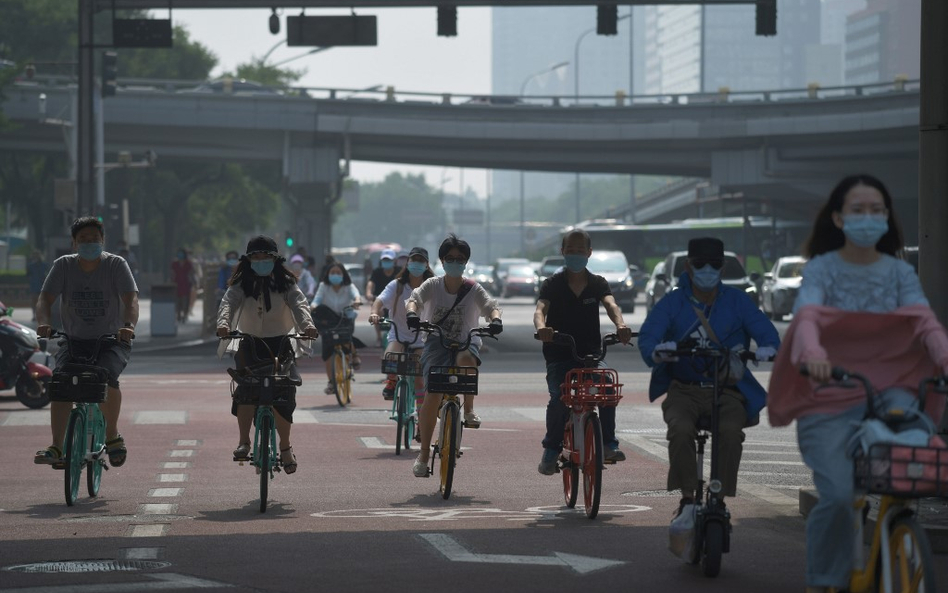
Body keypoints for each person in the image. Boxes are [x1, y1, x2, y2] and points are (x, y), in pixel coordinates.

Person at [765, 174, 948, 593]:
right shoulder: (822, 270)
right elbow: (808, 316)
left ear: (887, 218)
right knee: (836, 496)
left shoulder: (900, 272)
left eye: (877, 210)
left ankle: (898, 530)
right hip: (829, 395)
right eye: (858, 210)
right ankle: (824, 581)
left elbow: (925, 322)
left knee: (915, 459)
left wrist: (944, 356)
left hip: (896, 391)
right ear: (838, 218)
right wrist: (813, 356)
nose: (868, 218)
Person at [637, 237, 779, 519]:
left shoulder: (738, 301)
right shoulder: (672, 302)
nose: (707, 270)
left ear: (722, 268)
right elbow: (649, 336)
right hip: (683, 390)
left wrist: (768, 348)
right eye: (699, 264)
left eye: (714, 264)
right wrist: (656, 350)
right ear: (688, 266)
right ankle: (688, 499)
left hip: (728, 390)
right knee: (679, 429)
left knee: (730, 432)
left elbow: (766, 331)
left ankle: (719, 496)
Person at [33, 216, 138, 468]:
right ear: (74, 243)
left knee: (106, 378)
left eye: (94, 239)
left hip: (112, 341)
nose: (89, 243)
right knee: (60, 383)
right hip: (73, 340)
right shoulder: (63, 266)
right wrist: (43, 322)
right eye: (83, 240)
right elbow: (44, 300)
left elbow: (131, 300)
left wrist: (128, 326)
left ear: (103, 241)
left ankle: (112, 434)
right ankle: (57, 445)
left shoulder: (116, 264)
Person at [534, 229, 635, 474]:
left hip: (591, 355)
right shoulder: (553, 284)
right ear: (562, 252)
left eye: (581, 250)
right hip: (559, 354)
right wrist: (542, 328)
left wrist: (620, 326)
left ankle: (609, 443)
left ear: (589, 253)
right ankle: (551, 448)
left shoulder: (597, 283)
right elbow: (540, 310)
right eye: (571, 250)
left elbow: (611, 305)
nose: (575, 254)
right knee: (559, 398)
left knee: (607, 389)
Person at [217, 235, 317, 475]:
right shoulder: (241, 282)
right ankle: (244, 441)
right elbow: (228, 303)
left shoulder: (286, 281)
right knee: (245, 392)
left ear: (275, 259)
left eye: (266, 257)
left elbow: (299, 304)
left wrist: (308, 326)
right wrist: (223, 323)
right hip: (248, 342)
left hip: (281, 343)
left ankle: (285, 447)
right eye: (256, 257)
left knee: (283, 395)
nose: (260, 261)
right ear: (249, 259)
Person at [405, 234, 503, 478]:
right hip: (436, 343)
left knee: (466, 361)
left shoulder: (473, 289)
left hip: (466, 342)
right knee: (432, 397)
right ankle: (424, 454)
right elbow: (414, 300)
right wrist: (412, 314)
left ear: (466, 262)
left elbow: (491, 305)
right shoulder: (433, 285)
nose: (455, 262)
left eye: (460, 259)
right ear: (442, 260)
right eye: (450, 258)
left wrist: (495, 319)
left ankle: (468, 409)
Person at [368, 247, 434, 402]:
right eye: (414, 260)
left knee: (419, 378)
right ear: (407, 263)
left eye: (421, 261)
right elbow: (379, 301)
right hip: (398, 335)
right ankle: (392, 381)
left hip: (421, 339)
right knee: (390, 358)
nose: (416, 264)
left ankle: (420, 419)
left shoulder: (432, 286)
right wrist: (374, 313)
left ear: (427, 265)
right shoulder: (396, 285)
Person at [311, 262, 363, 396]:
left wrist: (356, 301)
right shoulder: (323, 286)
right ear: (328, 275)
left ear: (343, 274)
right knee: (328, 353)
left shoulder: (348, 286)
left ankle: (354, 354)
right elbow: (317, 299)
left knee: (346, 338)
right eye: (332, 273)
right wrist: (313, 306)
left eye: (338, 273)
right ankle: (331, 382)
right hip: (328, 320)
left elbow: (356, 295)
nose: (335, 275)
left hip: (345, 317)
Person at [366, 249, 401, 347]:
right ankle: (379, 337)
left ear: (394, 261)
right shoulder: (377, 272)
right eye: (384, 260)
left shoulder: (400, 272)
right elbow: (370, 283)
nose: (386, 262)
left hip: (395, 302)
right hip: (380, 301)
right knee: (377, 312)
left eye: (389, 260)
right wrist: (368, 293)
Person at [170, 248, 194, 323]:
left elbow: (191, 273)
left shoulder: (188, 263)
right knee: (177, 300)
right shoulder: (175, 263)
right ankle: (178, 315)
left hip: (186, 283)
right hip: (177, 283)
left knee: (185, 300)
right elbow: (172, 272)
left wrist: (192, 281)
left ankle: (185, 315)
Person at [26, 250, 49, 322]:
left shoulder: (44, 265)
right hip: (34, 286)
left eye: (37, 255)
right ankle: (34, 315)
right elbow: (28, 276)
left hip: (42, 286)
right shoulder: (30, 266)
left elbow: (48, 274)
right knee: (34, 301)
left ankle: (41, 315)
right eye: (34, 255)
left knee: (41, 302)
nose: (36, 257)